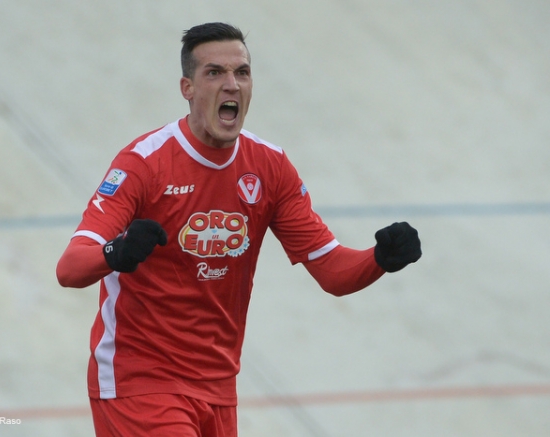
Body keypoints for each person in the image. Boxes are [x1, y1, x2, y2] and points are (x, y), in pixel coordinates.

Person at [56, 22, 421, 437]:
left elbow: (332, 271)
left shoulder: (270, 166)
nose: (231, 84)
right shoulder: (144, 163)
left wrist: (379, 259)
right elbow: (70, 268)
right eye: (214, 73)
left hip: (218, 388)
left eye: (242, 72)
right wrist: (115, 252)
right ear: (187, 88)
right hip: (139, 381)